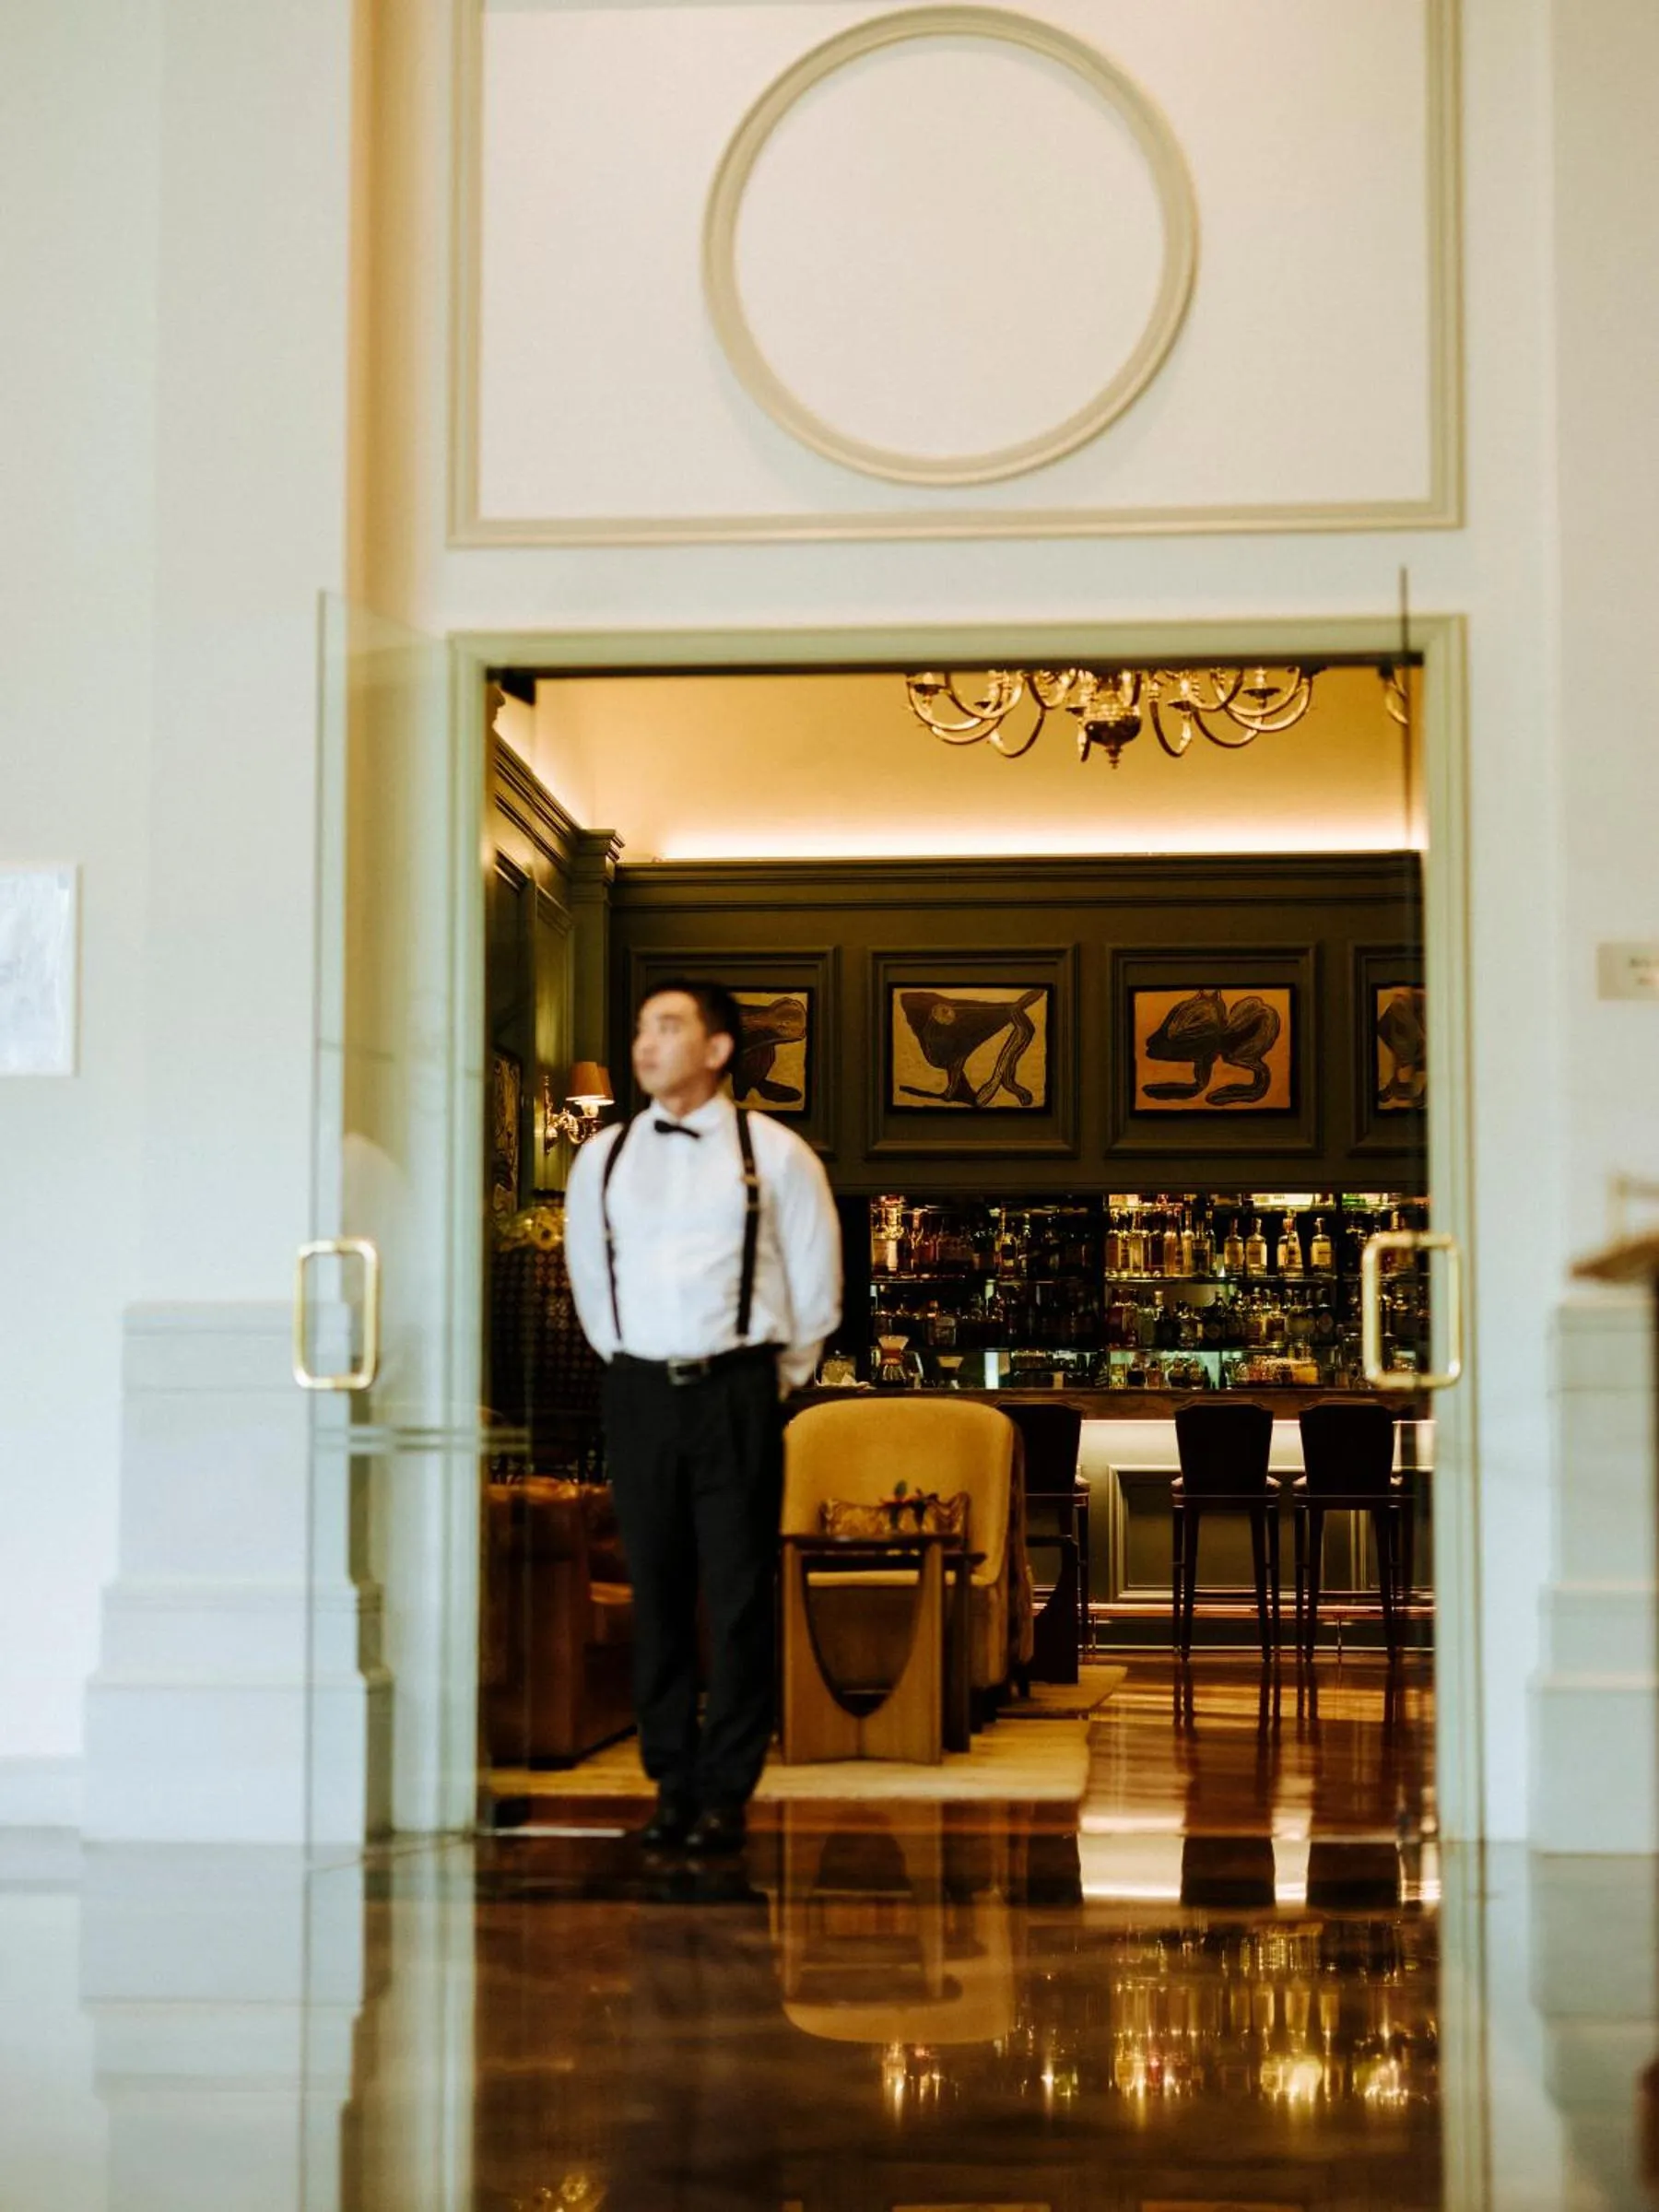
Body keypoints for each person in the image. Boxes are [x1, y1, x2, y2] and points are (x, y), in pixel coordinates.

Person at [563, 980, 841, 1853]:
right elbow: (590, 1285)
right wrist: (635, 1366)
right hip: (641, 1390)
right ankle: (671, 1783)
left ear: (718, 1049)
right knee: (656, 1591)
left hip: (740, 1391)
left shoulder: (778, 1155)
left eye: (669, 1025)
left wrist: (763, 1383)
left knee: (736, 1596)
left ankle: (728, 1789)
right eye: (642, 1025)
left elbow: (816, 1287)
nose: (647, 1042)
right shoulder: (600, 1157)